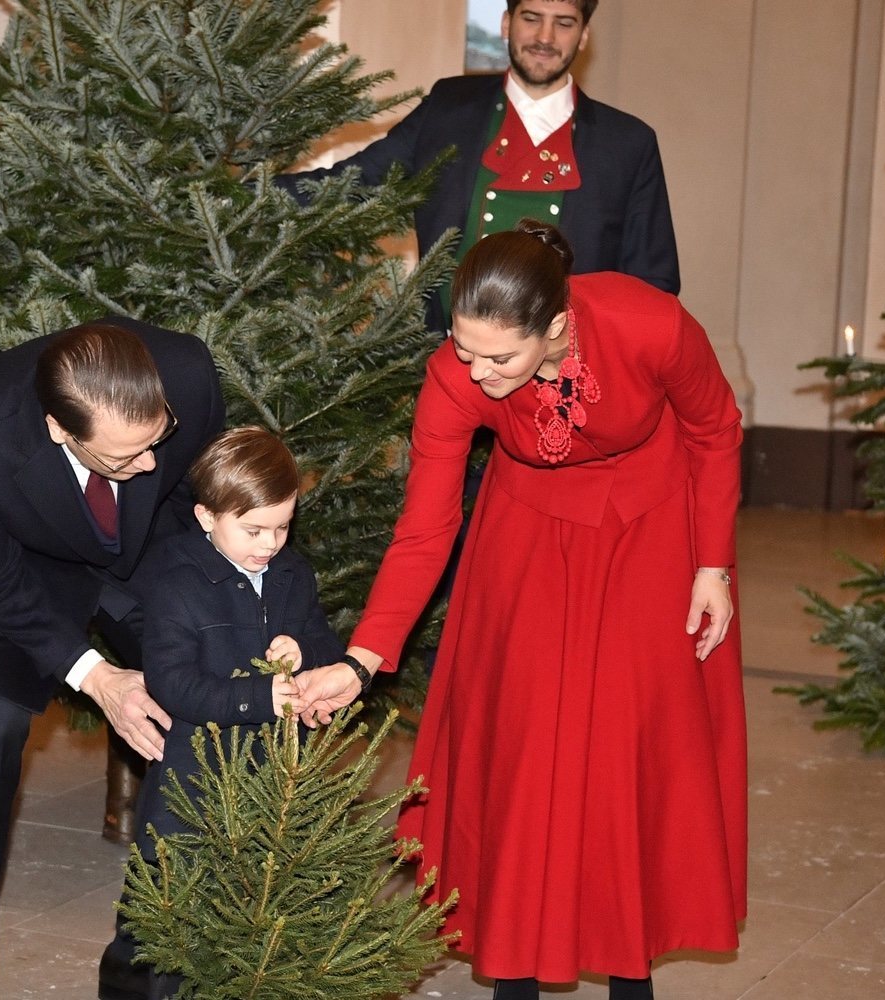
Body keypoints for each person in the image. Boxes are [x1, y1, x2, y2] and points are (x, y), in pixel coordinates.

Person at [297, 220, 744, 1000]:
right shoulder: (454, 376)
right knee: (527, 738)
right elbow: (426, 527)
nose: (476, 371)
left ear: (558, 328)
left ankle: (629, 965)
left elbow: (713, 430)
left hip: (650, 525)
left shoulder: (650, 323)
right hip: (527, 533)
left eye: (499, 356)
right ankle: (512, 965)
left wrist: (713, 564)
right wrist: (363, 658)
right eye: (465, 350)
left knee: (628, 741)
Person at [0, 318, 225, 1000]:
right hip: (16, 573)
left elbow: (197, 492)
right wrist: (96, 675)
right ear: (61, 429)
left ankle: (143, 955)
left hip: (142, 549)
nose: (148, 463)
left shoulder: (188, 374)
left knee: (204, 696)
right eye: (124, 457)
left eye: (156, 442)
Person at [100, 426, 345, 1000]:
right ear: (208, 517)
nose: (269, 544)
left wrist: (306, 653)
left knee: (251, 901)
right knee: (163, 907)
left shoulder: (291, 574)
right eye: (254, 529)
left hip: (270, 775)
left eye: (283, 527)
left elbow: (326, 642)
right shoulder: (178, 584)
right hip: (191, 774)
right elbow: (172, 682)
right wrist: (257, 699)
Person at [282, 0, 678, 331]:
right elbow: (356, 182)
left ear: (584, 35)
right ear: (507, 23)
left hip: (570, 382)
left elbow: (653, 285)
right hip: (445, 363)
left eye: (564, 23)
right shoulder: (448, 107)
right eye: (531, 18)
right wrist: (244, 196)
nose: (545, 38)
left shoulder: (628, 143)